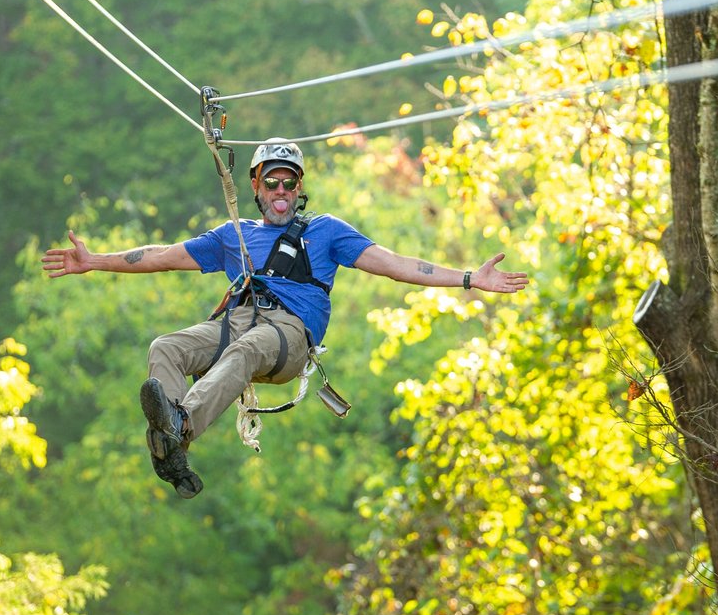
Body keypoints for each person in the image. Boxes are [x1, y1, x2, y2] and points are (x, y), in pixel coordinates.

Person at [42, 138, 529, 499]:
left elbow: (399, 265)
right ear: (254, 186)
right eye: (271, 182)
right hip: (238, 320)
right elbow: (161, 255)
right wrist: (95, 260)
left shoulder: (325, 232)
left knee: (246, 351)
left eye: (289, 183)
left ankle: (182, 424)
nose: (280, 191)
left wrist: (468, 278)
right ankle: (169, 445)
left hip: (288, 336)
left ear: (299, 189)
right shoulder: (233, 234)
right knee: (166, 348)